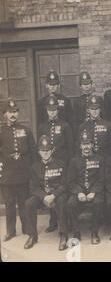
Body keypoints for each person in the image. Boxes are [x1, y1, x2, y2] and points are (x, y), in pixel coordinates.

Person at [0, 98, 37, 242]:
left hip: (23, 172)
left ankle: (26, 227)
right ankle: (10, 231)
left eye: (15, 111)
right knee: (9, 204)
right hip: (8, 174)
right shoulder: (1, 132)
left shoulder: (26, 130)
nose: (13, 114)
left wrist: (33, 171)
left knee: (23, 202)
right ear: (5, 114)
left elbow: (33, 152)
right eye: (10, 112)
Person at [24, 135, 69, 250]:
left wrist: (53, 195)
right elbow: (33, 188)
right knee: (29, 204)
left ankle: (63, 235)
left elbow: (65, 184)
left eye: (48, 150)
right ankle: (32, 235)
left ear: (52, 150)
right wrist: (44, 197)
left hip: (57, 195)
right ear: (38, 152)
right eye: (43, 150)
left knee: (62, 202)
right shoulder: (34, 167)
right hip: (42, 196)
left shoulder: (61, 164)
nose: (45, 153)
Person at [37, 95, 74, 233]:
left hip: (63, 163)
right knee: (50, 189)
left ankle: (66, 220)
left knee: (63, 191)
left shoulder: (65, 126)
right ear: (46, 111)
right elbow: (40, 147)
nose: (52, 112)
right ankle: (53, 221)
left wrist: (69, 163)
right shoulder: (42, 126)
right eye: (49, 110)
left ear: (58, 110)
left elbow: (71, 147)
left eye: (54, 110)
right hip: (49, 163)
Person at [66, 129, 105, 244]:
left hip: (95, 191)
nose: (86, 147)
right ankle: (76, 232)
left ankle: (94, 232)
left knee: (98, 203)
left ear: (92, 145)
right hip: (80, 191)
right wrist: (79, 192)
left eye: (88, 144)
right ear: (80, 146)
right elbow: (70, 181)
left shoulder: (99, 159)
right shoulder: (74, 161)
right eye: (84, 144)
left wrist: (93, 191)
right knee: (70, 204)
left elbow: (102, 179)